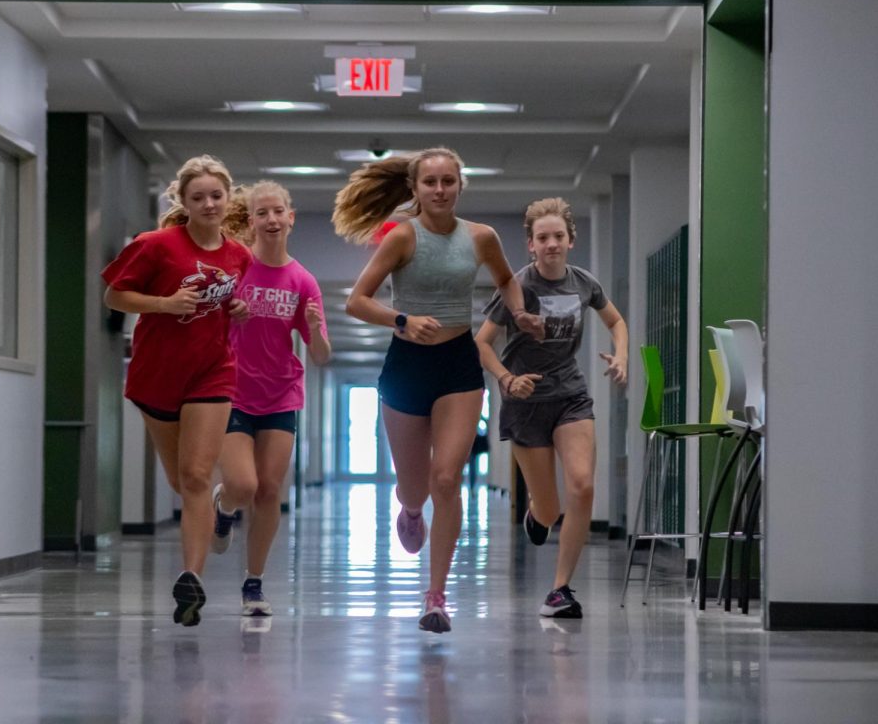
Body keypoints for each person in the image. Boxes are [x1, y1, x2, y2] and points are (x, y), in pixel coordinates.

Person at [333, 147, 544, 633]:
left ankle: (436, 596)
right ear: (416, 189)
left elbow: (507, 279)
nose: (440, 190)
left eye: (449, 181)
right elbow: (356, 302)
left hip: (458, 365)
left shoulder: (481, 237)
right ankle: (409, 509)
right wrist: (401, 319)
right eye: (431, 182)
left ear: (460, 186)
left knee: (446, 479)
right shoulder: (402, 237)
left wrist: (520, 312)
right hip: (406, 365)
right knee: (415, 487)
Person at [101, 154, 251, 627]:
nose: (208, 203)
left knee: (195, 476)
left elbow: (225, 305)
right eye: (198, 197)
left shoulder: (238, 255)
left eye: (216, 195)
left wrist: (238, 309)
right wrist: (164, 304)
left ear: (228, 199)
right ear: (182, 202)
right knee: (181, 481)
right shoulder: (155, 245)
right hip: (156, 376)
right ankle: (213, 515)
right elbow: (114, 296)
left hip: (212, 373)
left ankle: (192, 578)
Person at [474, 197, 627, 619]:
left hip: (570, 396)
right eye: (543, 238)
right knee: (549, 508)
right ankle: (538, 514)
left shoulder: (584, 283)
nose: (552, 244)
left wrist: (622, 355)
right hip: (525, 404)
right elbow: (482, 343)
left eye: (559, 236)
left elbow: (616, 321)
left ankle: (560, 590)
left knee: (583, 486)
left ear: (570, 240)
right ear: (531, 245)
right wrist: (506, 378)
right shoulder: (516, 287)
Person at [215, 180, 332, 616]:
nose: (271, 220)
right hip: (231, 391)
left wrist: (316, 328)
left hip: (282, 393)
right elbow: (207, 332)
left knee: (268, 490)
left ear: (291, 217)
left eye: (278, 211)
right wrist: (231, 317)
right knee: (243, 484)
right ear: (251, 221)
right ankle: (224, 507)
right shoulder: (234, 271)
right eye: (261, 213)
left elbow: (321, 356)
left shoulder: (302, 280)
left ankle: (253, 584)